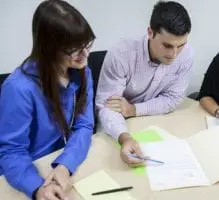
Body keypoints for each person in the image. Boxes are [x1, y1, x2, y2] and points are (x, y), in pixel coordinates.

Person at [0, 0, 95, 199]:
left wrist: (65, 165)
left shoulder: (82, 71)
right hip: (30, 173)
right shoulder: (18, 88)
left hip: (65, 162)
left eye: (87, 44)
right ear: (49, 48)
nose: (85, 55)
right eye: (74, 49)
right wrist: (38, 188)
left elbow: (85, 126)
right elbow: (11, 152)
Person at [96, 1, 192, 166]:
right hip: (117, 127)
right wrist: (124, 137)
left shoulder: (187, 55)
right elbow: (108, 107)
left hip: (151, 121)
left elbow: (172, 99)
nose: (174, 54)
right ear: (150, 32)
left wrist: (134, 109)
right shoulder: (122, 53)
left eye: (181, 45)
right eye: (167, 45)